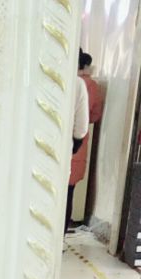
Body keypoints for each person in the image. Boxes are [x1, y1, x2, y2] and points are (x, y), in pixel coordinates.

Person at [68, 48, 104, 229]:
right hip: (76, 145)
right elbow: (93, 116)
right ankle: (61, 235)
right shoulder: (88, 85)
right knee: (68, 192)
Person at [65, 49, 91, 235]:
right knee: (65, 195)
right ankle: (58, 241)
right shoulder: (78, 84)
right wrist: (73, 145)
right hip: (64, 155)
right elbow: (82, 127)